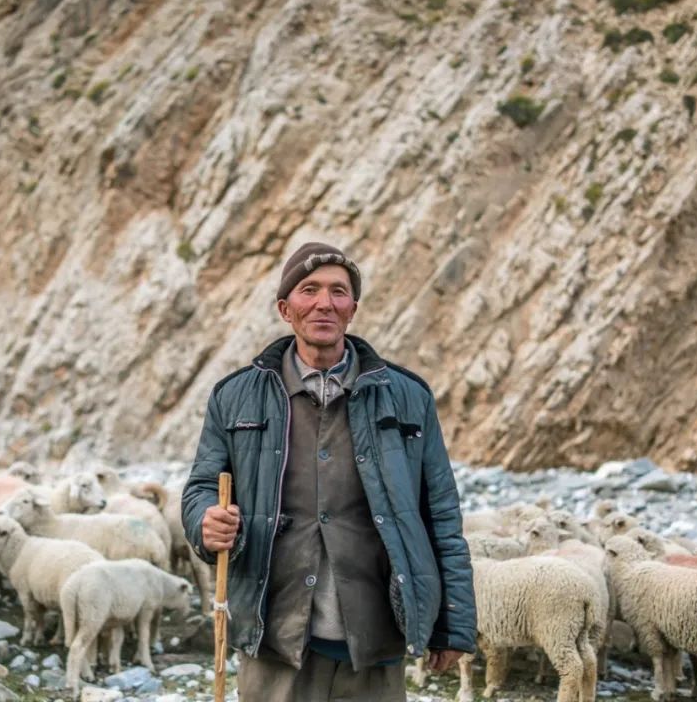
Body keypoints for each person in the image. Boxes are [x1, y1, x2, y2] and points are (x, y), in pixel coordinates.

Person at [181, 242, 476, 701]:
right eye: (309, 290)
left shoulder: (408, 397)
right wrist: (205, 520)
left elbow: (440, 512)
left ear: (353, 308)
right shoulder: (235, 397)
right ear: (286, 308)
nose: (324, 303)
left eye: (338, 291)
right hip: (275, 635)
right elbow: (202, 487)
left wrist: (454, 623)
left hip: (375, 637)